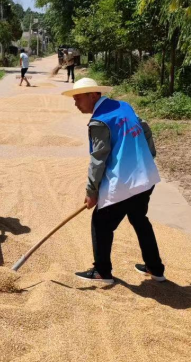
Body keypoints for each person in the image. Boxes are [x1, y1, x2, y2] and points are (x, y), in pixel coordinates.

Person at [62, 78, 165, 284]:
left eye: (79, 98)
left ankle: (102, 271)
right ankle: (155, 268)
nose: (75, 103)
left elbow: (98, 159)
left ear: (94, 95)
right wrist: (147, 157)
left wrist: (91, 192)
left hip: (124, 183)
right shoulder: (124, 106)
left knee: (101, 223)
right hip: (145, 177)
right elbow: (145, 129)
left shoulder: (99, 121)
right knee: (139, 219)